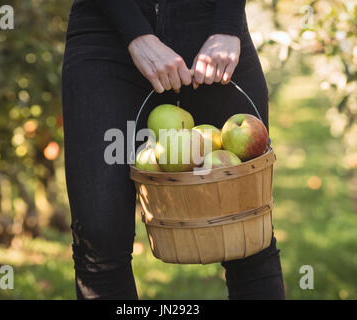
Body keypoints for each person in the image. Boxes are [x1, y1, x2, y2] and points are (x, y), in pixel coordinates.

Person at [62, 0, 285, 300]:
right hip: (106, 33)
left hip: (210, 28)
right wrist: (135, 32)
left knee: (247, 235)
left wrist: (227, 25)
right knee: (100, 242)